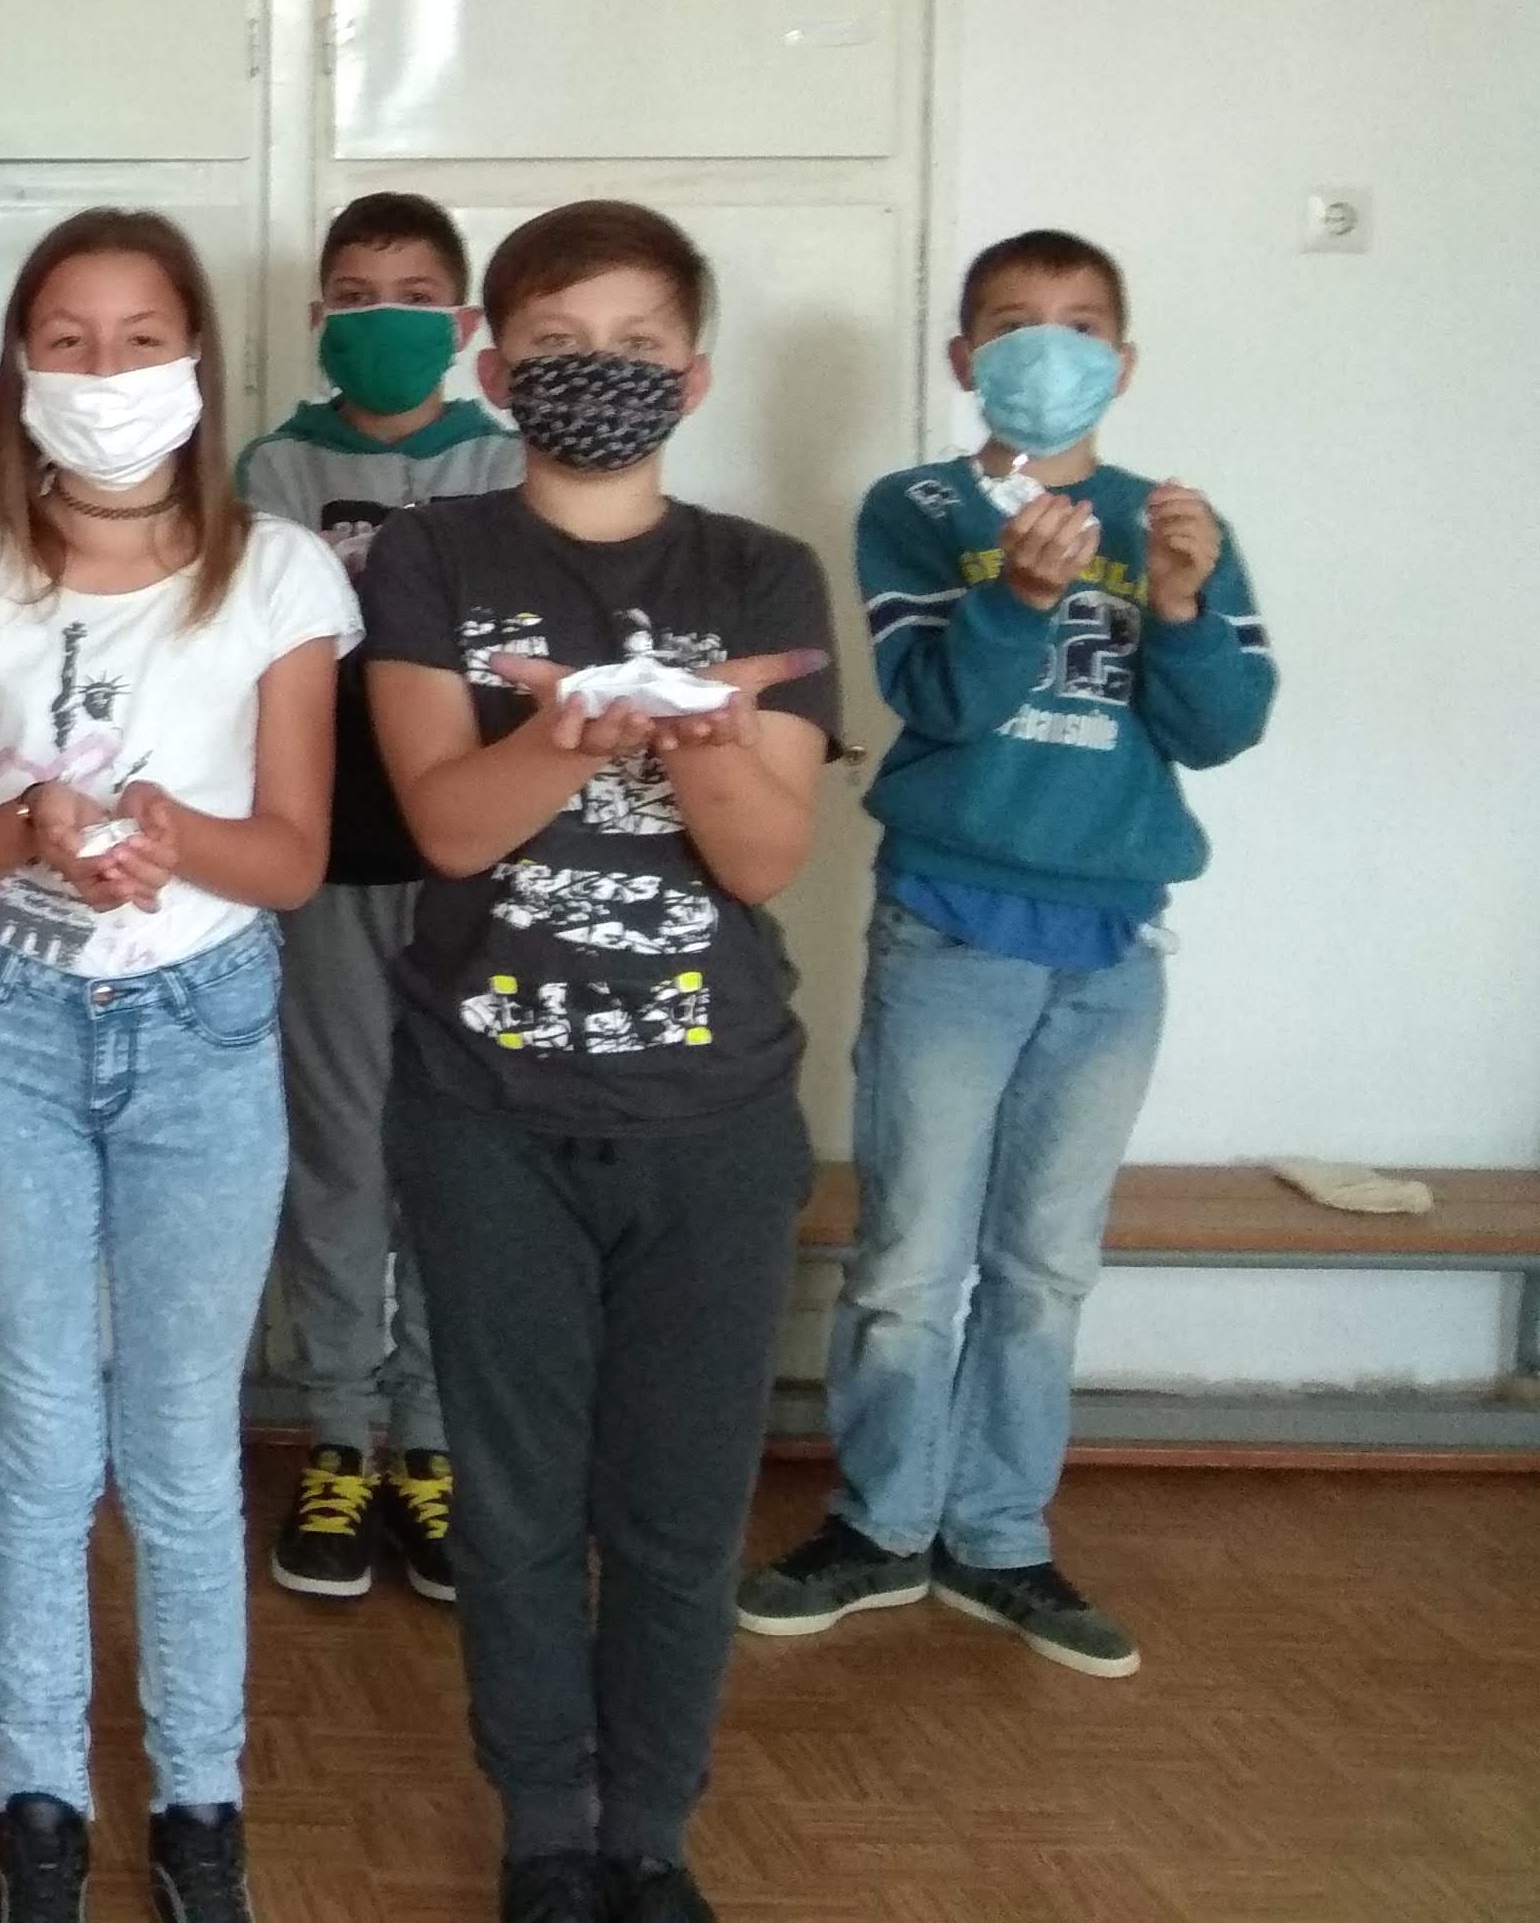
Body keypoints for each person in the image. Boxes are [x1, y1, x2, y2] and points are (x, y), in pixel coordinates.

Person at [358, 200, 840, 1923]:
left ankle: (651, 1832)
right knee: (511, 1504)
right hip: (487, 1114)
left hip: (714, 1119)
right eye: (559, 345)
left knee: (679, 1512)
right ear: (496, 370)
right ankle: (545, 1833)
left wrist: (693, 732)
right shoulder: (429, 557)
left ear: (695, 378)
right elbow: (446, 825)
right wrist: (572, 734)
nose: (601, 374)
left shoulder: (762, 575)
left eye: (640, 347)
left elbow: (764, 860)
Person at [0, 209, 355, 1923]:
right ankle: (39, 1799)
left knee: (176, 1441)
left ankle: (200, 1802)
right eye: (68, 343)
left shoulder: (280, 573)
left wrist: (172, 835)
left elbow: (291, 857)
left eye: (141, 340)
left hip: (205, 1029)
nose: (105, 375)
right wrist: (29, 826)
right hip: (3, 1019)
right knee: (35, 1436)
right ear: (20, 371)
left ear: (198, 362)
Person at [739, 229, 1273, 1679]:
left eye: (1082, 323)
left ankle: (999, 1537)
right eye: (1016, 322)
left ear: (1124, 359)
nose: (1051, 345)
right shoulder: (917, 508)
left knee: (1045, 1265)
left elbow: (1221, 728)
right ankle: (880, 1525)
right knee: (911, 1259)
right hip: (953, 926)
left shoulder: (1175, 520)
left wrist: (1178, 606)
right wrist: (1022, 598)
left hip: (1112, 949)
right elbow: (935, 698)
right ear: (965, 357)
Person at [237, 190, 523, 1606]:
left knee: (464, 1157)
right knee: (342, 1153)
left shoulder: (511, 461)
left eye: (415, 294)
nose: (384, 316)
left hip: (483, 868)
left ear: (462, 324)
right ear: (318, 318)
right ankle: (340, 1434)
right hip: (332, 861)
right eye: (355, 293)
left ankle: (436, 1442)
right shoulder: (274, 468)